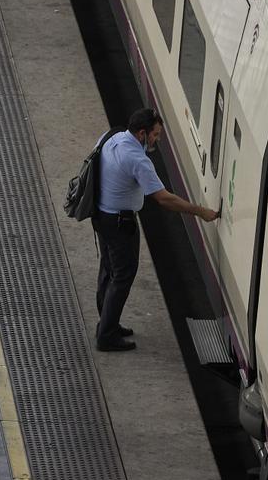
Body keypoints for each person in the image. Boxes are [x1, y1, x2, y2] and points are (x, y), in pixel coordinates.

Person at [93, 108, 219, 351]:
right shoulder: (138, 160)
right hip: (120, 223)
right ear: (142, 133)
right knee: (122, 276)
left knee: (109, 270)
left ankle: (107, 322)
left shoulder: (112, 137)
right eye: (156, 135)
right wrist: (200, 211)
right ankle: (106, 335)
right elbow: (164, 199)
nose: (157, 140)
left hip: (101, 215)